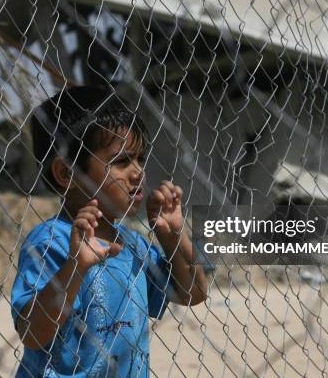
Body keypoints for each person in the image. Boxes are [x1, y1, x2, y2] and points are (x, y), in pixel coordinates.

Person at [10, 85, 208, 377]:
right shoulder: (52, 241)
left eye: (141, 159)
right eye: (122, 161)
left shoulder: (134, 246)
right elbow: (32, 333)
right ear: (67, 173)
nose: (138, 172)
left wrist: (172, 234)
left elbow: (194, 293)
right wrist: (75, 267)